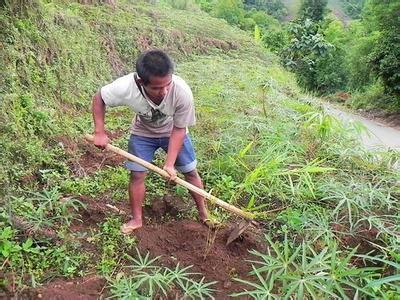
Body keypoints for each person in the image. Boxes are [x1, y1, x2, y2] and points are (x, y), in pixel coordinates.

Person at [91, 49, 210, 233]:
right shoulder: (125, 87)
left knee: (190, 171)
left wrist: (169, 164)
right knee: (137, 175)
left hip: (173, 131)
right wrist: (99, 131)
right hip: (143, 133)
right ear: (141, 82)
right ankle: (137, 219)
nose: (163, 92)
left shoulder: (182, 92)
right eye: (156, 88)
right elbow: (99, 97)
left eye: (167, 85)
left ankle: (204, 214)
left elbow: (179, 129)